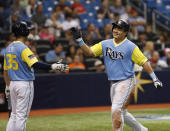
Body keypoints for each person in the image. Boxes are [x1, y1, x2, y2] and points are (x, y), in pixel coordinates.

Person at [71, 19, 163, 131]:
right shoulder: (105, 44)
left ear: (125, 32)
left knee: (116, 109)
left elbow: (144, 62)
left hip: (126, 81)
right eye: (115, 27)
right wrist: (80, 40)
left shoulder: (131, 46)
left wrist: (155, 78)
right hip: (114, 83)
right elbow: (90, 52)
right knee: (122, 112)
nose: (116, 30)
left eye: (119, 28)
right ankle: (141, 130)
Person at [4, 21, 68, 131]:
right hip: (24, 84)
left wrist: (7, 86)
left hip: (13, 83)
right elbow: (35, 63)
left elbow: (5, 70)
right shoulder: (23, 48)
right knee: (21, 117)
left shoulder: (9, 48)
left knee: (14, 115)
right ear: (25, 32)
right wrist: (53, 66)